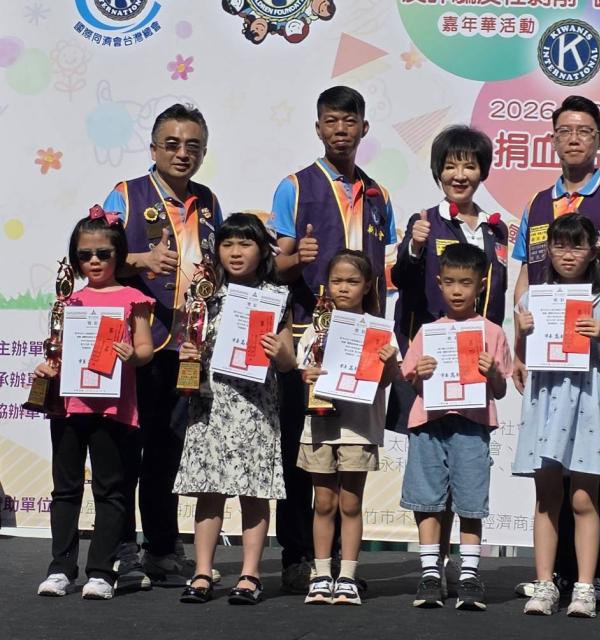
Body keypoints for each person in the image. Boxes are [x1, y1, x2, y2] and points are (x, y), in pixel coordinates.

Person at [511, 95, 600, 604]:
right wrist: (518, 337)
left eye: (584, 131)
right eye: (565, 131)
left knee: (596, 467)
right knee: (551, 467)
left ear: (599, 140)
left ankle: (597, 576)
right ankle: (554, 577)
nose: (574, 139)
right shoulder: (536, 203)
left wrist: (595, 244)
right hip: (547, 355)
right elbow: (526, 271)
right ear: (553, 139)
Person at [269, 85, 396, 593]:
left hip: (362, 343)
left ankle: (344, 569)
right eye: (331, 120)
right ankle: (299, 556)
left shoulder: (379, 194)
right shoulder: (294, 187)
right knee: (302, 453)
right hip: (310, 339)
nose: (340, 129)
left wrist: (382, 338)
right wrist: (294, 258)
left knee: (351, 455)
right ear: (318, 127)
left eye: (349, 121)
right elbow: (274, 267)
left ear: (364, 128)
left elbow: (384, 274)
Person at [103, 103, 223, 588]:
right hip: (139, 345)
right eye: (171, 144)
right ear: (153, 149)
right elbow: (93, 254)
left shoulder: (208, 200)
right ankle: (121, 549)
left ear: (204, 153)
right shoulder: (127, 194)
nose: (182, 153)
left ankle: (161, 547)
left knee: (168, 452)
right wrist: (140, 258)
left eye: (193, 145)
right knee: (127, 450)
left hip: (188, 348)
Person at [388, 124, 508, 593]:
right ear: (438, 171)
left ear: (482, 172)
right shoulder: (424, 221)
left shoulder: (496, 228)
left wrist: (499, 355)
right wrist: (415, 247)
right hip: (431, 370)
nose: (460, 174)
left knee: (468, 473)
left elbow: (496, 296)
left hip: (476, 374)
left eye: (470, 165)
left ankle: (466, 570)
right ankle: (432, 571)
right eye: (451, 165)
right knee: (431, 475)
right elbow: (403, 277)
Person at [174, 213, 295, 605]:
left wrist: (279, 353)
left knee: (254, 492)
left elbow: (289, 362)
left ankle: (250, 574)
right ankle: (202, 572)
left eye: (245, 244)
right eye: (228, 244)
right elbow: (189, 344)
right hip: (210, 404)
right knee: (209, 491)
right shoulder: (204, 295)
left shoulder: (277, 297)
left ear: (262, 251)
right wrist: (188, 352)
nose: (236, 252)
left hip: (256, 406)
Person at [36, 207, 154, 599]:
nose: (94, 261)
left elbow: (146, 349)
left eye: (104, 253)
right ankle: (60, 568)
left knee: (111, 490)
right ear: (75, 258)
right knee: (65, 490)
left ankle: (102, 571)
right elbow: (57, 351)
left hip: (113, 408)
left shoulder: (133, 298)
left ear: (119, 254)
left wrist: (132, 355)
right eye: (85, 254)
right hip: (70, 406)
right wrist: (49, 368)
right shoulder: (68, 301)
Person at [512, 214, 600, 618]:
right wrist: (521, 330)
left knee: (583, 497)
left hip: (586, 399)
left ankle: (585, 587)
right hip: (545, 398)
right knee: (547, 496)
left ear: (593, 251)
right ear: (548, 251)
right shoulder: (533, 298)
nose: (568, 254)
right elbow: (521, 356)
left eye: (577, 246)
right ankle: (544, 585)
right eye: (559, 246)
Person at [400, 243, 512, 611]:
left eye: (465, 282)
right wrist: (420, 374)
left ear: (481, 285)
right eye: (449, 282)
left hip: (471, 426)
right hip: (429, 424)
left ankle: (469, 575)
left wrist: (492, 373)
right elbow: (412, 381)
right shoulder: (428, 332)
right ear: (439, 283)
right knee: (427, 501)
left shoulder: (492, 332)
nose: (457, 290)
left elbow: (500, 389)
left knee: (471, 502)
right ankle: (430, 573)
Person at [299, 251, 401, 606]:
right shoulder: (317, 327)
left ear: (368, 286)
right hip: (319, 427)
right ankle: (321, 574)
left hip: (359, 428)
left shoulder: (378, 330)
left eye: (353, 281)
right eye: (337, 281)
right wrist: (308, 374)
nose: (344, 288)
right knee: (323, 501)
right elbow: (303, 371)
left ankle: (347, 575)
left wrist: (388, 363)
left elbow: (386, 381)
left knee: (351, 502)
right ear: (327, 284)